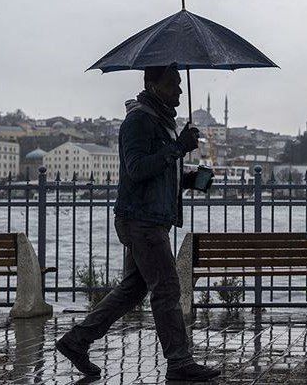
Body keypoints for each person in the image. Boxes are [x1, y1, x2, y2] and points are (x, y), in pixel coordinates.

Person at [56, 66, 220, 381]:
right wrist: (178, 148)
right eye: (172, 84)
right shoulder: (139, 120)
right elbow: (136, 168)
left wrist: (193, 179)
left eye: (180, 84)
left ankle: (77, 341)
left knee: (134, 288)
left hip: (151, 218)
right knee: (167, 287)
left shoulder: (161, 122)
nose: (179, 90)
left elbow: (160, 172)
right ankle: (179, 361)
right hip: (141, 220)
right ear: (152, 85)